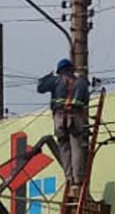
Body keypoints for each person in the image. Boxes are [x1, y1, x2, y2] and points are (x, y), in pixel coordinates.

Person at [37, 58, 90, 196]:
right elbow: (85, 100)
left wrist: (47, 77)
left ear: (60, 70)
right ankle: (78, 179)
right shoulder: (82, 82)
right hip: (76, 117)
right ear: (72, 69)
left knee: (64, 148)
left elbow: (40, 88)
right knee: (76, 147)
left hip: (60, 117)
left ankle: (69, 177)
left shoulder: (55, 81)